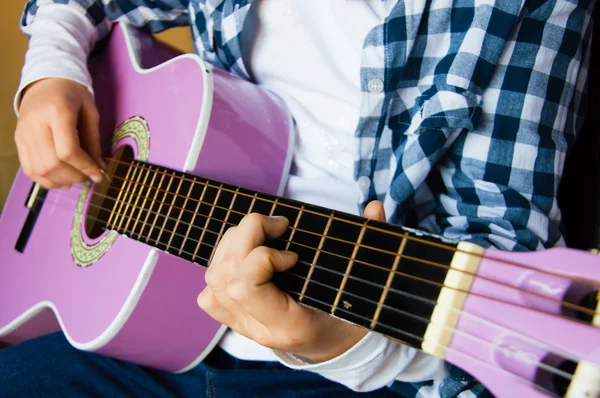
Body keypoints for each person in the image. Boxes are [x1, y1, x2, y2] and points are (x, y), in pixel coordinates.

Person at [1, 0, 594, 397]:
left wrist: (336, 345)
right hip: (146, 330)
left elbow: (492, 251)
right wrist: (52, 72)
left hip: (344, 365)